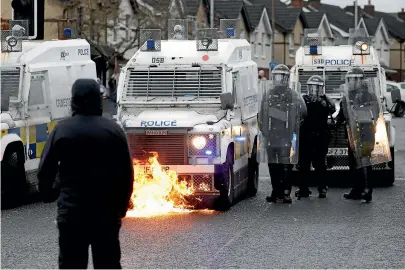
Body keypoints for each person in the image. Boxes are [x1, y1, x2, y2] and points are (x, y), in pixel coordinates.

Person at [37, 79, 134, 269]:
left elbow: (45, 169)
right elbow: (126, 174)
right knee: (108, 264)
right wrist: (122, 207)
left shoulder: (62, 129)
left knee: (72, 264)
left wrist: (49, 194)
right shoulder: (113, 130)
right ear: (97, 99)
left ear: (73, 100)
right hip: (106, 213)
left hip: (72, 212)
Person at [258, 64, 307, 203]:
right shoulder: (268, 93)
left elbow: (303, 112)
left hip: (286, 135)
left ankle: (286, 192)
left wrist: (295, 127)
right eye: (277, 76)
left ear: (287, 78)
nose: (279, 79)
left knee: (286, 165)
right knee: (273, 165)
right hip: (271, 135)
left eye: (282, 76)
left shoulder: (292, 94)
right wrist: (263, 130)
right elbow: (261, 113)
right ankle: (276, 191)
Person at [336, 67, 381, 203]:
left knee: (364, 160)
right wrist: (333, 121)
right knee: (353, 162)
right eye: (350, 79)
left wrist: (358, 110)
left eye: (355, 79)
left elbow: (375, 112)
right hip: (352, 133)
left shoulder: (369, 95)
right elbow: (342, 115)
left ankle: (367, 190)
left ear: (362, 80)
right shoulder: (347, 96)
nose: (352, 82)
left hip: (365, 132)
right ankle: (356, 190)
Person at [295, 75, 336, 199]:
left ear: (321, 88)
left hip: (321, 135)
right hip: (306, 135)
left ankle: (322, 188)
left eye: (317, 88)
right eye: (312, 87)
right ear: (308, 88)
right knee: (304, 163)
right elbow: (298, 111)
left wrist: (323, 102)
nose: (315, 90)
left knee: (319, 163)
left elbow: (332, 109)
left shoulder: (325, 99)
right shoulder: (303, 99)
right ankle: (303, 189)